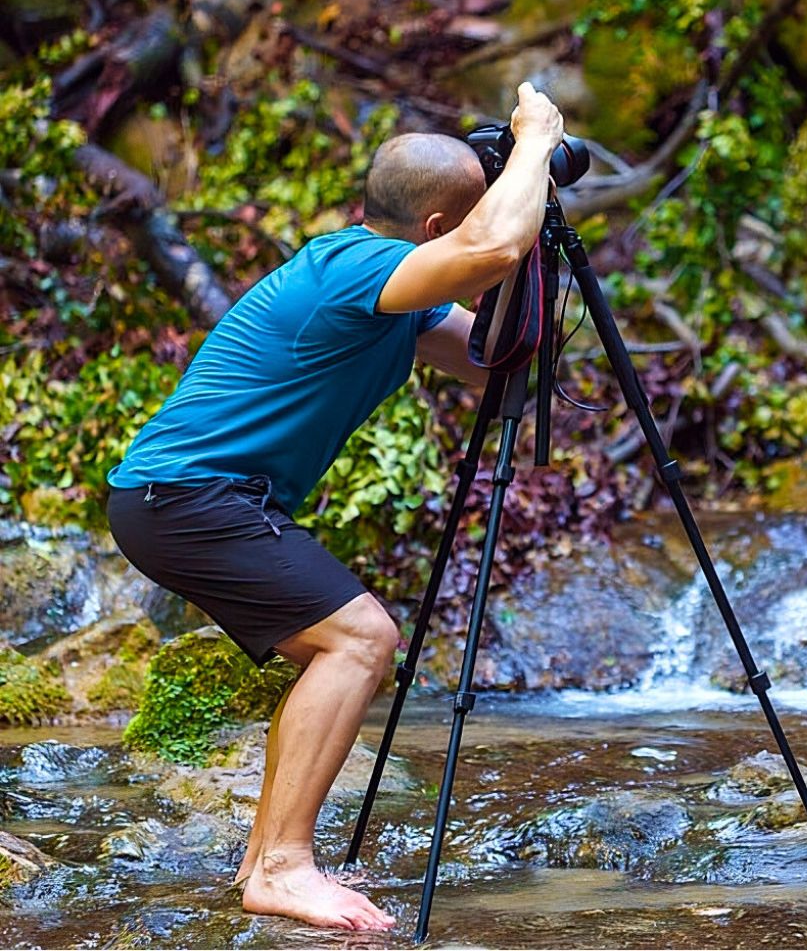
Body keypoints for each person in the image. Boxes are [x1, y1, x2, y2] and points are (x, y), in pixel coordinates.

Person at [106, 83, 564, 932]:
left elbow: (493, 359)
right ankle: (282, 867)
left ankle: (265, 859)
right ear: (435, 233)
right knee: (361, 639)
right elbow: (493, 244)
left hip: (183, 497)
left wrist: (530, 256)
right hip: (186, 496)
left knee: (342, 644)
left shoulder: (390, 285)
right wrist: (534, 143)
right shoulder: (355, 270)